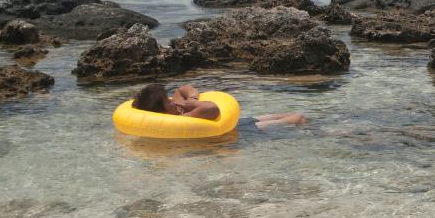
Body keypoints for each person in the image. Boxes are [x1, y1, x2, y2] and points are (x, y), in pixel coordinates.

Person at [131, 83, 306, 128]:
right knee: (297, 118)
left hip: (233, 125)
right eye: (166, 101)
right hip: (240, 134)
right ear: (160, 111)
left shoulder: (177, 106)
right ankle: (317, 133)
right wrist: (195, 103)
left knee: (284, 114)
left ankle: (313, 130)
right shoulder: (183, 118)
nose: (171, 100)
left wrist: (191, 97)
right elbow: (212, 109)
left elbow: (183, 89)